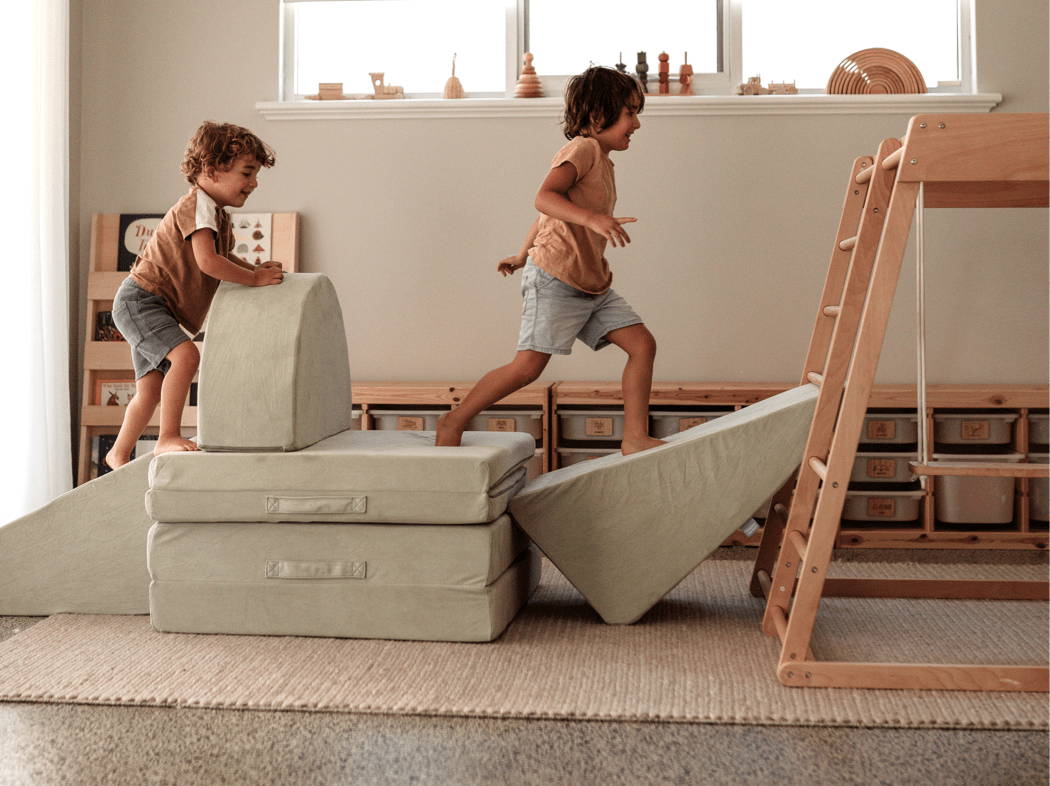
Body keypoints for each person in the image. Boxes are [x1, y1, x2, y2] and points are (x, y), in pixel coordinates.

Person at [436, 66, 665, 456]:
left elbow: (548, 214)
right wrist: (593, 219)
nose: (637, 123)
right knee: (527, 367)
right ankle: (453, 420)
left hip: (591, 282)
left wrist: (523, 254)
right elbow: (544, 197)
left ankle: (634, 438)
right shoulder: (584, 149)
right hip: (557, 278)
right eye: (629, 112)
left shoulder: (602, 161)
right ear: (597, 117)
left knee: (642, 345)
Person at [104, 121, 284, 470]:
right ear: (211, 169)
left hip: (152, 304)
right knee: (186, 358)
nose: (254, 182)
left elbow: (222, 258)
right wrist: (255, 279)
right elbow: (208, 262)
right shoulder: (197, 206)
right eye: (247, 172)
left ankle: (118, 454)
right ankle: (166, 437)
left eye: (255, 174)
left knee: (150, 390)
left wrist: (255, 270)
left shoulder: (215, 214)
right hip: (142, 300)